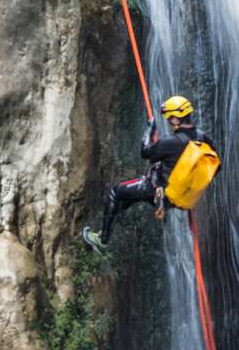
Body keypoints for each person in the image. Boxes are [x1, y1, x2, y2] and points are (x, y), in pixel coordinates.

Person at [82, 95, 219, 253]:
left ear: (175, 120)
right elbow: (214, 166)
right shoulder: (203, 138)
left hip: (158, 192)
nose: (168, 121)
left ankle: (102, 240)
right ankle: (109, 221)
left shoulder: (170, 142)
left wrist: (150, 129)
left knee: (115, 193)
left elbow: (145, 152)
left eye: (169, 118)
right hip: (179, 198)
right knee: (129, 197)